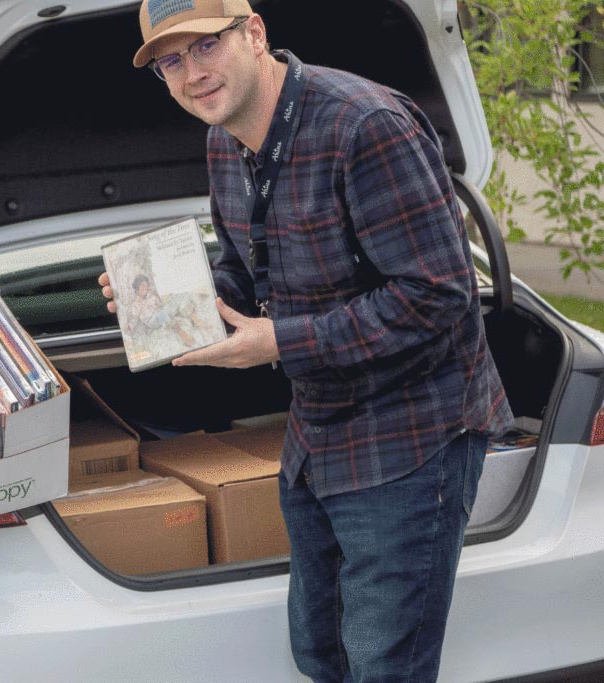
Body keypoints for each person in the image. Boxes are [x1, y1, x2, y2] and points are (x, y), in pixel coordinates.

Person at [99, 1, 514, 680]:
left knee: (386, 663)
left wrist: (279, 343)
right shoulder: (223, 140)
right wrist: (171, 300)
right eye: (171, 61)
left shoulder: (365, 127)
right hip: (317, 436)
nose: (191, 73)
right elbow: (245, 269)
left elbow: (437, 295)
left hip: (411, 442)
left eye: (205, 46)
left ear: (254, 33)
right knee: (320, 650)